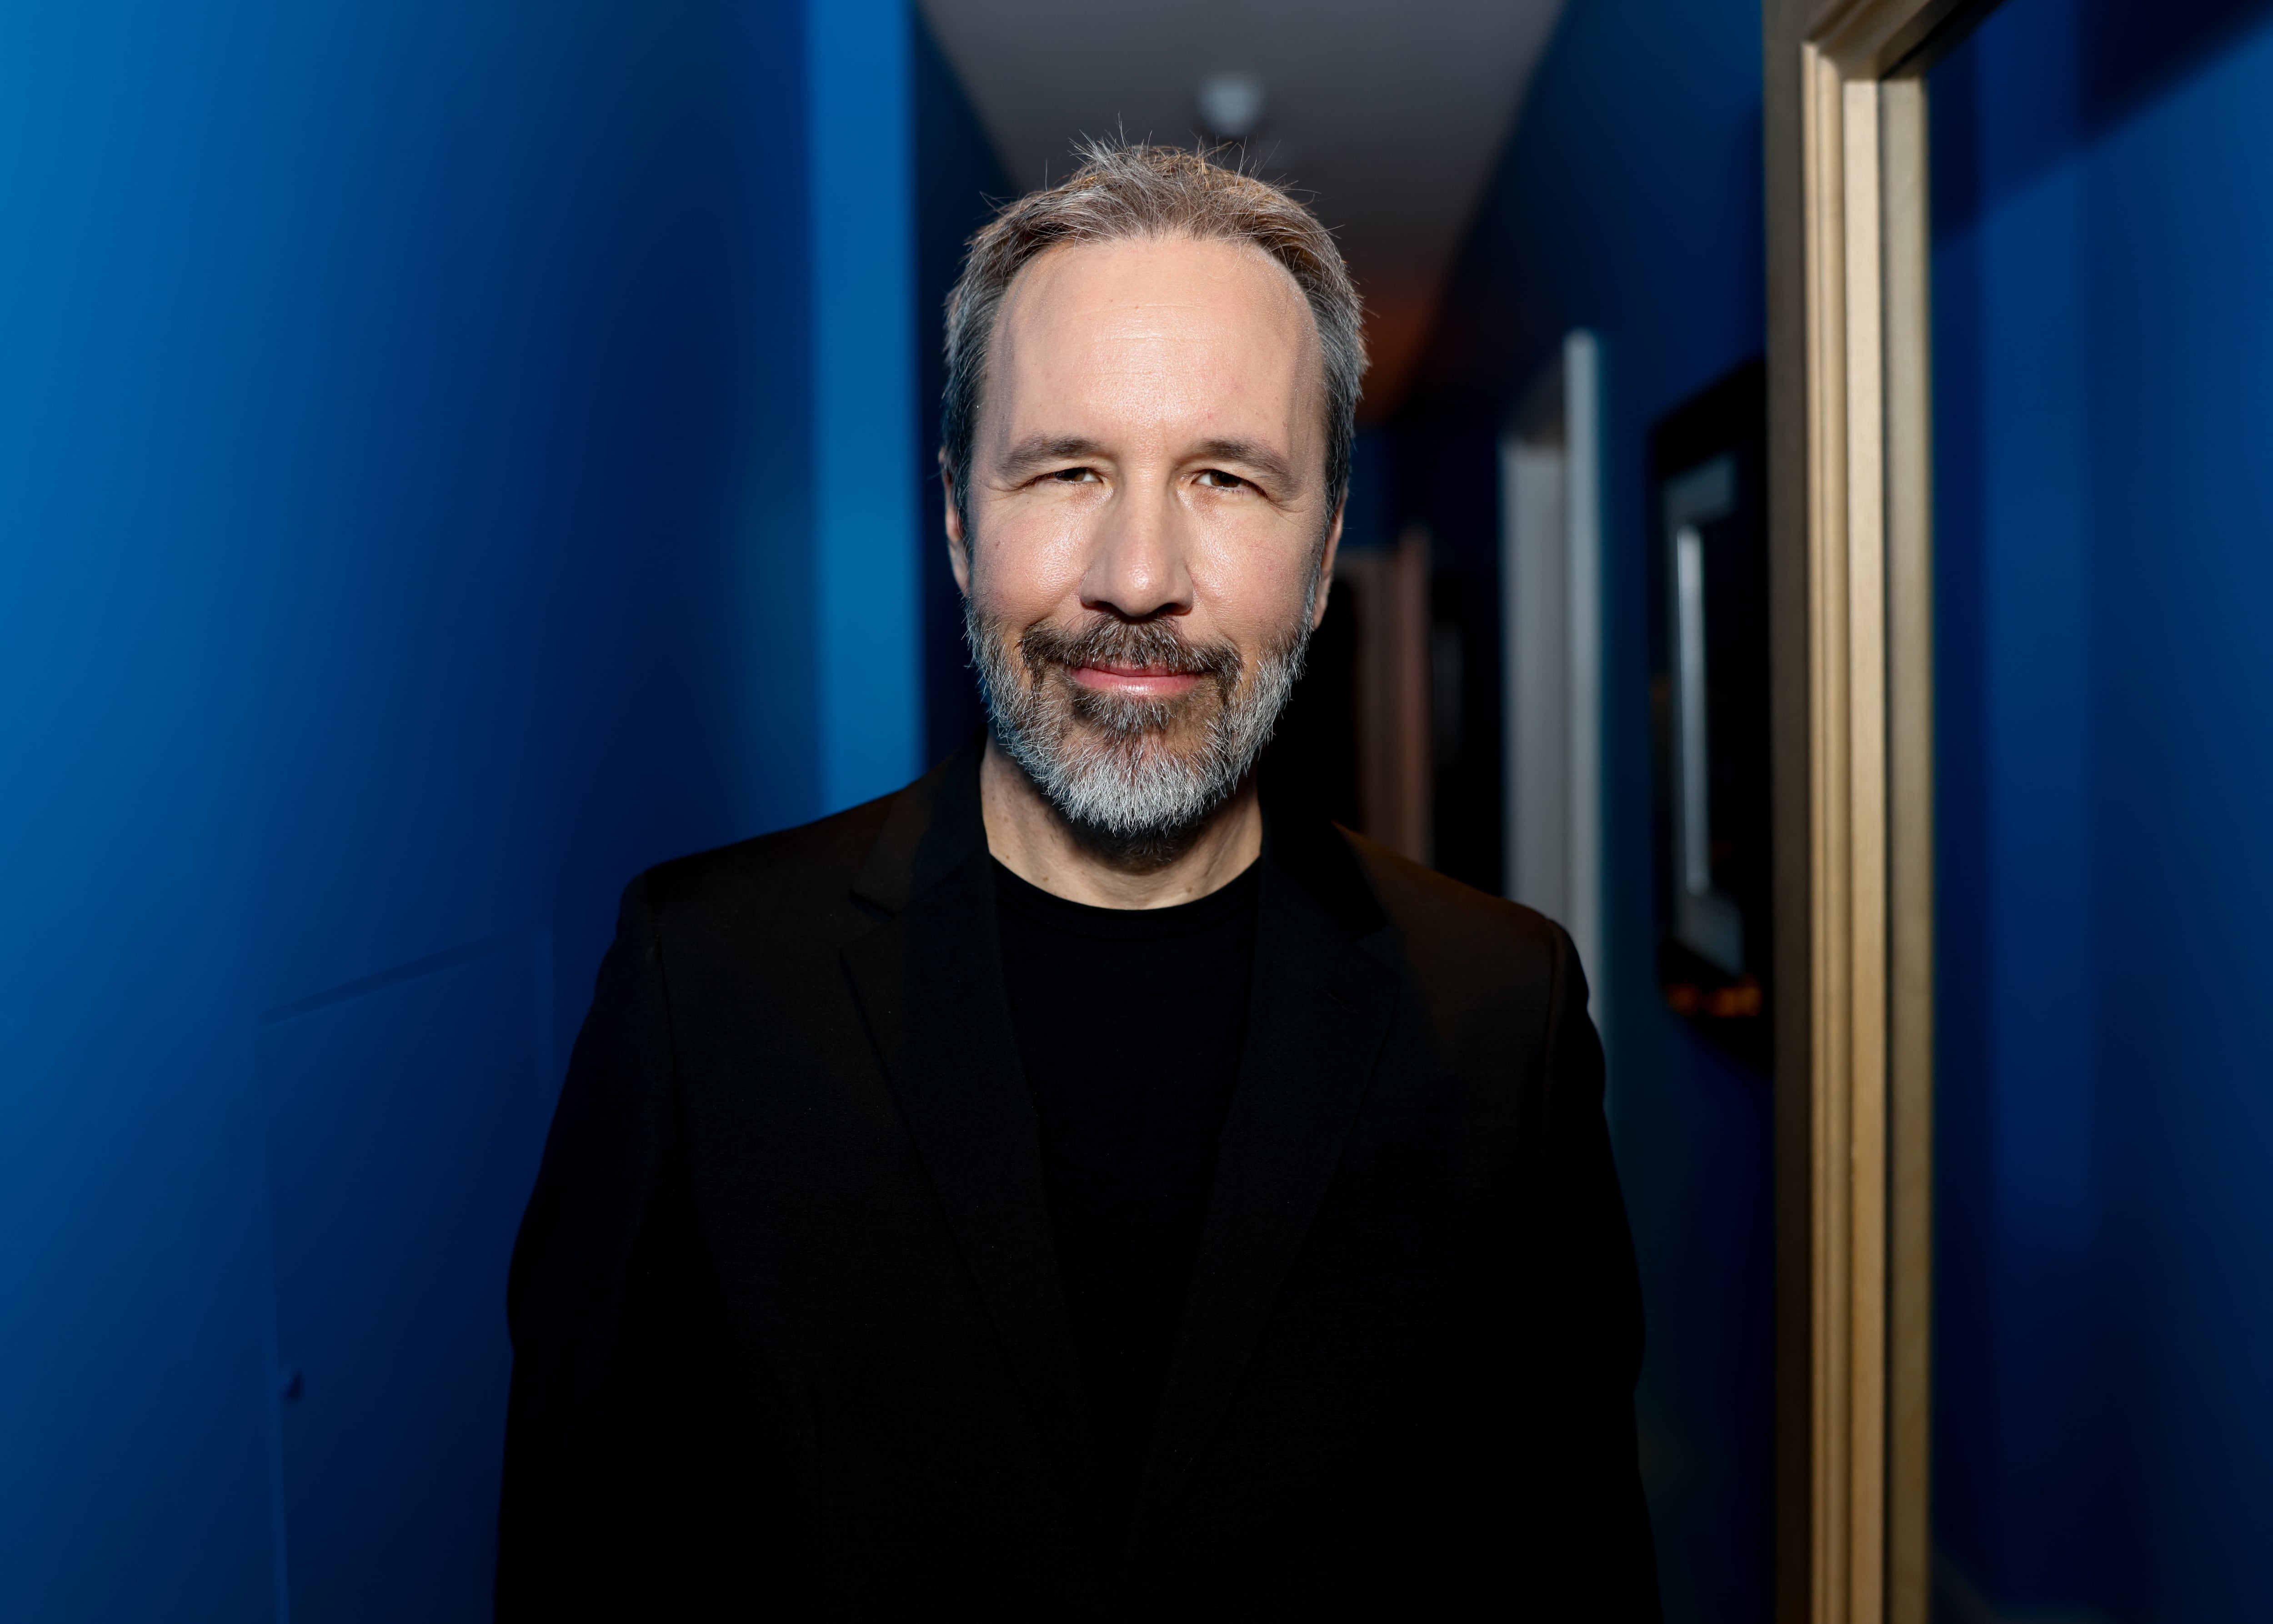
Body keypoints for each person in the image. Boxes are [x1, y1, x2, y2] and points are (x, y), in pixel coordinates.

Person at [496, 141, 1659, 1621]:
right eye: (1068, 469)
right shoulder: (703, 989)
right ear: (958, 516)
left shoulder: (1507, 1015)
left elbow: (1572, 1570)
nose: (1137, 572)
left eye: (1227, 478)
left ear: (1323, 554)